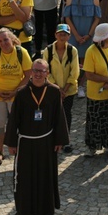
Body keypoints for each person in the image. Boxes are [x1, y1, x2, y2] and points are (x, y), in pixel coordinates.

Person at [5, 58, 69, 215]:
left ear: (47, 73)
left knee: (45, 175)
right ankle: (23, 210)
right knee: (25, 177)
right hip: (25, 142)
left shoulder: (54, 92)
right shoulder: (21, 93)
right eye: (35, 70)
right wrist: (11, 143)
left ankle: (47, 211)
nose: (38, 74)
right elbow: (13, 120)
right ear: (31, 72)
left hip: (46, 141)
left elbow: (59, 118)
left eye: (42, 71)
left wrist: (59, 140)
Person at [0, 28, 33, 167]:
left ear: (11, 39)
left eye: (5, 39)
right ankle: (0, 151)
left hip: (16, 95)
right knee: (0, 123)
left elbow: (28, 74)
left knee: (19, 123)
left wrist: (16, 92)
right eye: (0, 41)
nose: (3, 43)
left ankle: (20, 150)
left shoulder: (21, 53)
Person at [83, 23, 108, 158]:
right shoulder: (91, 51)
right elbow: (89, 74)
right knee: (96, 121)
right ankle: (92, 147)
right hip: (96, 94)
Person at [62, 0, 102, 97]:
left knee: (86, 61)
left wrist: (89, 35)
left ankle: (81, 85)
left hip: (88, 33)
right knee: (72, 59)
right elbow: (67, 18)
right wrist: (76, 35)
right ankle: (70, 84)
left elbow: (97, 18)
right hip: (74, 33)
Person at [42, 24, 80, 152]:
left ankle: (66, 140)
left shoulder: (72, 50)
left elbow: (75, 72)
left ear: (69, 36)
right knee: (52, 114)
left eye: (65, 34)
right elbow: (46, 71)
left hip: (68, 90)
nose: (62, 36)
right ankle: (52, 138)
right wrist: (57, 88)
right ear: (55, 35)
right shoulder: (47, 51)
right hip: (52, 90)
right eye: (60, 34)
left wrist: (64, 89)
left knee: (66, 114)